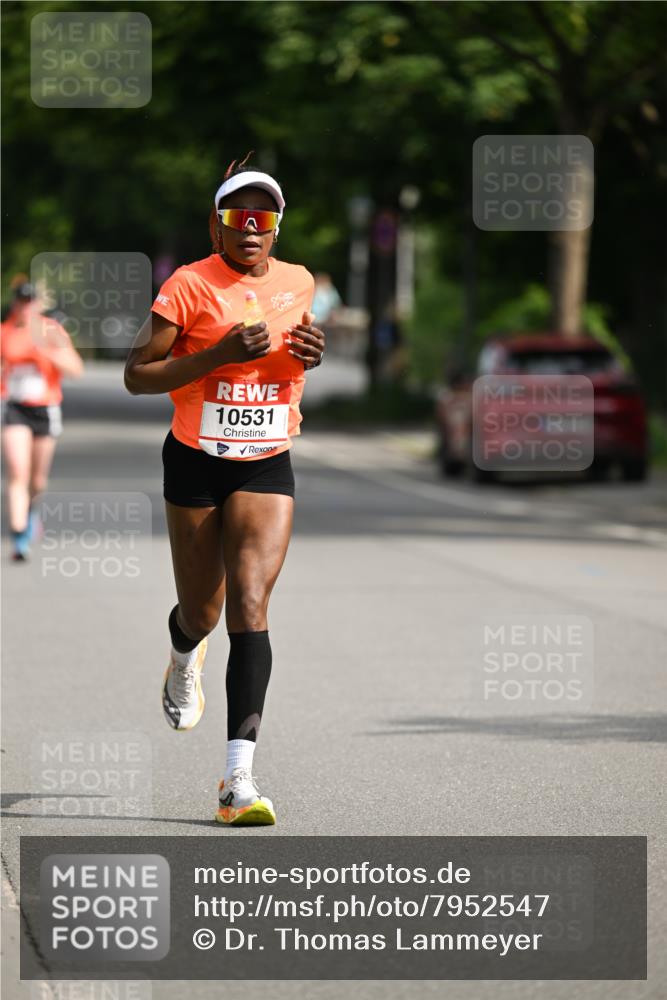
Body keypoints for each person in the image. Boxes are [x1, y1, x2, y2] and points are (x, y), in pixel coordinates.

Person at [124, 153, 326, 826]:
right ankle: (184, 653)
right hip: (195, 460)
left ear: (277, 228)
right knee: (203, 612)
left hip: (266, 460)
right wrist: (217, 355)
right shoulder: (188, 285)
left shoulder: (299, 282)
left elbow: (295, 356)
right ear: (216, 227)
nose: (251, 228)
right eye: (239, 216)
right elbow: (137, 375)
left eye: (264, 217)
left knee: (250, 603)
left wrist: (312, 353)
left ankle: (238, 781)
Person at [1, 278, 83, 561]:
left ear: (37, 304)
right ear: (15, 304)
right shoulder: (5, 332)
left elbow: (75, 369)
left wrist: (46, 352)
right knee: (17, 473)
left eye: (30, 302)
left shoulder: (51, 331)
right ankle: (19, 536)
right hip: (14, 408)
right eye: (21, 301)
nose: (25, 307)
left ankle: (31, 511)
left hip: (45, 409)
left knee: (37, 481)